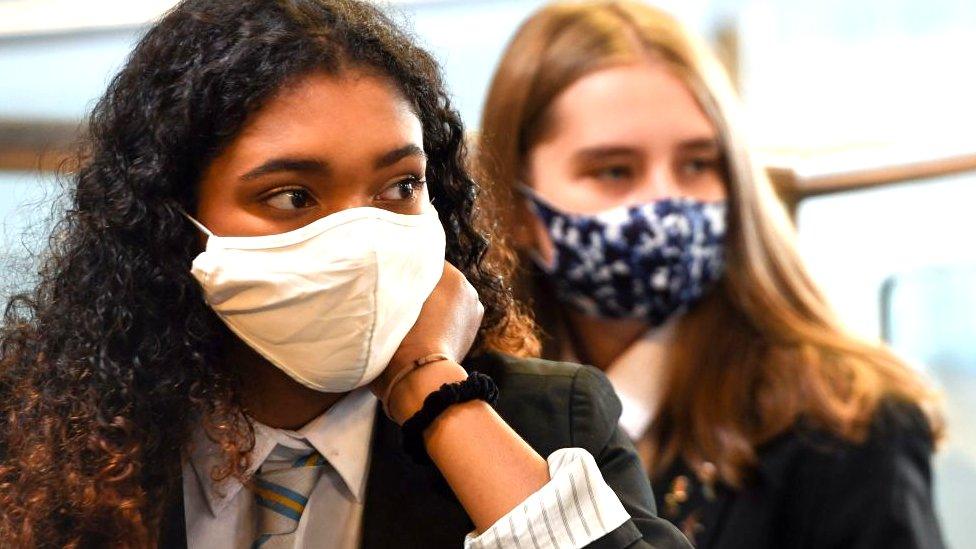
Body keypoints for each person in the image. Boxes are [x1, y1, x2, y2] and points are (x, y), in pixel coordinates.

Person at [0, 1, 691, 547]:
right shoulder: (36, 431)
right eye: (293, 196)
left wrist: (434, 391)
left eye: (399, 186)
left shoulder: (549, 423)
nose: (364, 237)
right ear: (170, 218)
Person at [475, 1, 945, 547]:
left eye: (697, 164)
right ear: (519, 210)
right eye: (614, 171)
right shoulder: (485, 407)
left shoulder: (850, 424)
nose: (666, 201)